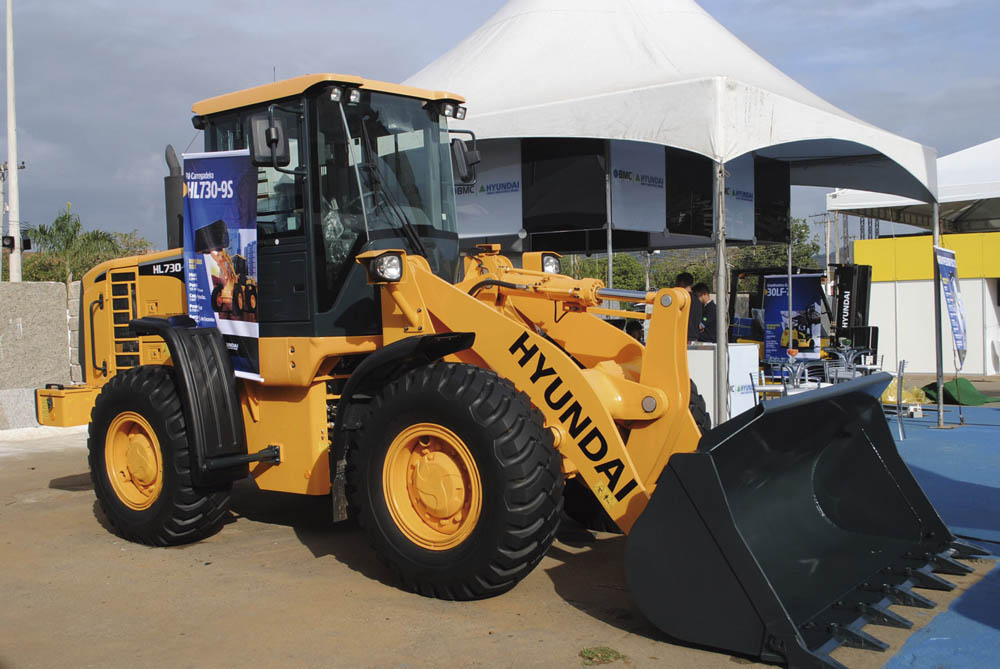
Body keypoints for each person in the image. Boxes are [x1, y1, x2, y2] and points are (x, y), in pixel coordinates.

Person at [674, 272, 702, 343]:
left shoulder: (678, 299)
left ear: (681, 283)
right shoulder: (697, 301)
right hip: (694, 339)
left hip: (679, 339)